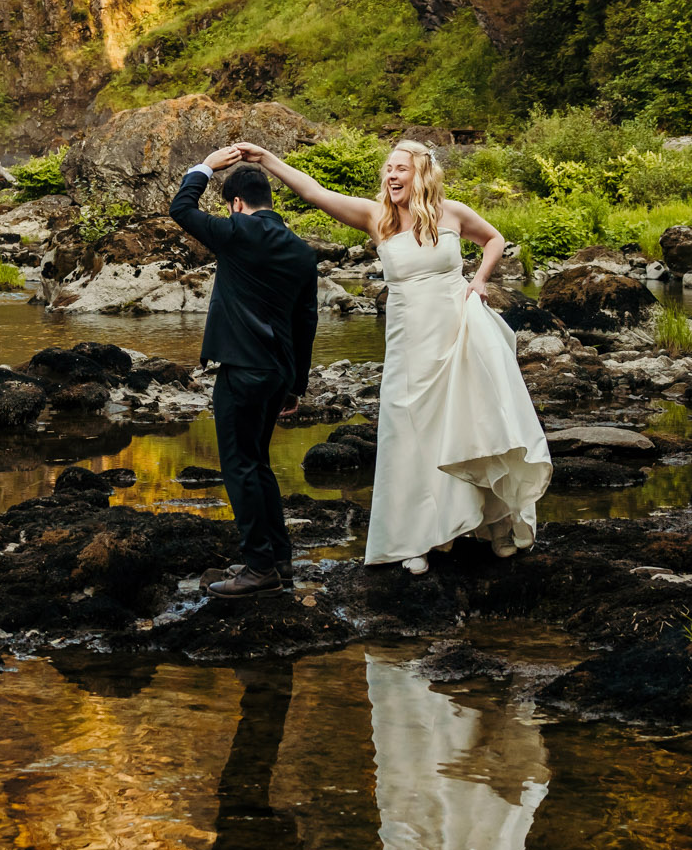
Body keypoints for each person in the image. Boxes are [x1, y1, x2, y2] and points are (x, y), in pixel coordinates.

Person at [234, 138, 549, 573]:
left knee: (473, 423)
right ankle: (415, 537)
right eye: (388, 169)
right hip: (409, 344)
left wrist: (478, 282)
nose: (391, 176)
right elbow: (314, 192)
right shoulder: (375, 218)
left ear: (421, 174)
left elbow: (494, 239)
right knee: (411, 434)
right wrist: (267, 159)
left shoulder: (452, 212)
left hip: (458, 335)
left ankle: (495, 523)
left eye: (400, 168)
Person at [169, 145, 320, 597]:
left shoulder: (236, 232)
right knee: (259, 465)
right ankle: (280, 560)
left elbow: (181, 208)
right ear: (267, 201)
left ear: (236, 203)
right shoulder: (301, 252)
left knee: (238, 467)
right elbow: (306, 323)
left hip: (242, 368)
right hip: (277, 373)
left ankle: (258, 569)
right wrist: (296, 385)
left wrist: (206, 166)